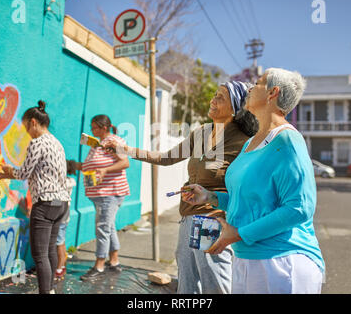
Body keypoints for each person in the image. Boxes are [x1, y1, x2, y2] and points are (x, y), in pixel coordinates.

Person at [104, 82, 259, 294]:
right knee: (186, 285)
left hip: (213, 222)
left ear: (235, 108)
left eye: (220, 97)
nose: (212, 100)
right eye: (214, 94)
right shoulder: (202, 132)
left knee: (215, 286)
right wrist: (126, 149)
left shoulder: (245, 143)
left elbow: (249, 189)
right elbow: (167, 158)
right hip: (188, 218)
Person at [182, 68, 325, 294]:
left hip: (282, 262)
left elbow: (300, 208)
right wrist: (209, 197)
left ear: (272, 93)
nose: (250, 88)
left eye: (257, 83)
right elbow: (249, 200)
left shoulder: (288, 140)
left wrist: (238, 233)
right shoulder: (251, 144)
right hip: (246, 257)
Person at [0, 100, 71, 294]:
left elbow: (23, 174)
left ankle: (46, 292)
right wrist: (4, 175)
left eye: (26, 125)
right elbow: (38, 171)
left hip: (45, 204)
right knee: (50, 249)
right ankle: (50, 289)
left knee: (40, 255)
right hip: (61, 203)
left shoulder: (36, 143)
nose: (26, 131)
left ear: (33, 122)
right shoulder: (56, 142)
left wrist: (8, 170)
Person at [74, 114, 130, 282]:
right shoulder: (97, 144)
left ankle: (99, 265)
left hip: (110, 193)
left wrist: (105, 171)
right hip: (99, 194)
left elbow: (125, 163)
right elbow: (93, 165)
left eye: (94, 127)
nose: (92, 130)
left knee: (102, 228)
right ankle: (114, 262)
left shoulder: (114, 142)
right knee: (109, 227)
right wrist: (75, 166)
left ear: (104, 127)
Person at [55, 160, 77, 280]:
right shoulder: (71, 181)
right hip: (65, 214)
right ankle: (62, 266)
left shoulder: (62, 182)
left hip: (60, 214)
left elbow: (57, 199)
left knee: (59, 243)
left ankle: (58, 268)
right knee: (61, 242)